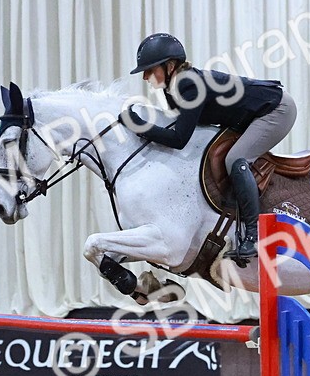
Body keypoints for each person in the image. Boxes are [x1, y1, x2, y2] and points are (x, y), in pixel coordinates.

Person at [119, 33, 297, 260]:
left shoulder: (188, 85)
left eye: (150, 70)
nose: (145, 77)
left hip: (276, 110)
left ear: (170, 66)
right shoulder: (174, 87)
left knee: (235, 159)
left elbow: (178, 139)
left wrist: (138, 125)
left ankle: (254, 236)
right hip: (251, 115)